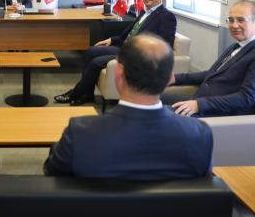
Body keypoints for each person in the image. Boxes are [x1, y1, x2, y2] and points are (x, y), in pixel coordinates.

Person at [44, 34, 213, 179]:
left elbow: (53, 174)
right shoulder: (199, 135)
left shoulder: (80, 132)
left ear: (118, 73)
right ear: (170, 78)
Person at [55, 0, 176, 105]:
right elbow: (127, 34)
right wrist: (112, 40)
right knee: (92, 51)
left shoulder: (167, 16)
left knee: (96, 62)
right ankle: (87, 94)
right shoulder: (144, 12)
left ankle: (76, 93)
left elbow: (166, 44)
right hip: (124, 47)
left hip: (137, 54)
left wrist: (142, 49)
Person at [168, 0, 255, 117]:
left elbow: (245, 98)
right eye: (231, 20)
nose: (234, 25)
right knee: (154, 104)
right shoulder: (237, 46)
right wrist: (176, 78)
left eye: (241, 20)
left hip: (219, 116)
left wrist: (199, 105)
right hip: (200, 104)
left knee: (155, 117)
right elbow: (212, 74)